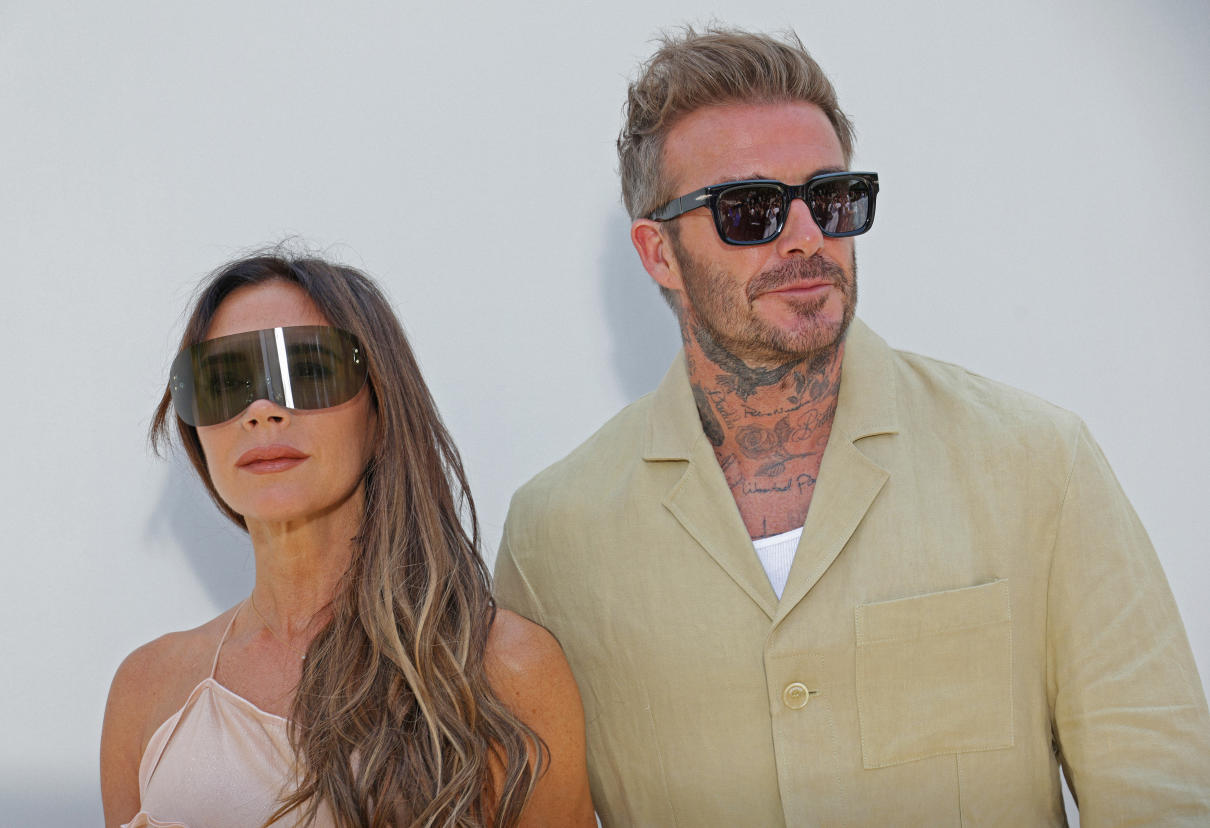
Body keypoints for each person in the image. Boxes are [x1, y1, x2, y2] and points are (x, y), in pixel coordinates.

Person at [493, 26, 1210, 826]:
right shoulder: (553, 538)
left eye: (829, 198)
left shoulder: (1038, 464)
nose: (805, 236)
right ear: (658, 253)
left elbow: (1161, 794)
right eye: (750, 209)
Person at [101, 253, 595, 827]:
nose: (261, 411)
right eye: (223, 382)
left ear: (381, 407)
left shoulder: (502, 669)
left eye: (309, 371)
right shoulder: (147, 690)